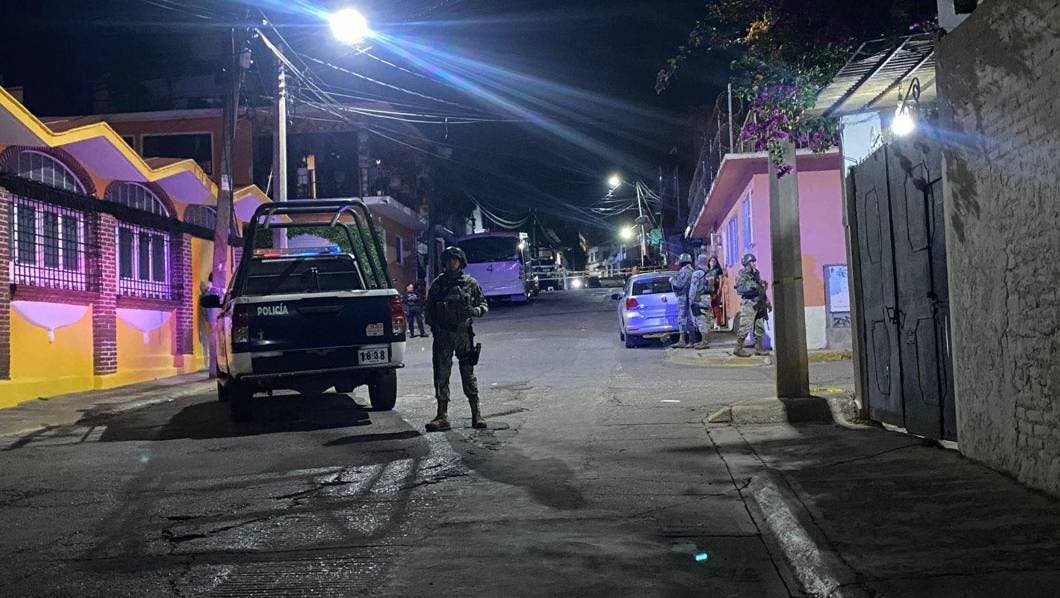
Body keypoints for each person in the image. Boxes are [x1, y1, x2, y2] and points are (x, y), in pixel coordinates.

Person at [424, 247, 489, 431]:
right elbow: (428, 310)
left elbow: (484, 305)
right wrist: (435, 327)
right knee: (441, 375)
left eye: (455, 259)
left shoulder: (470, 283)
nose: (452, 263)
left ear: (461, 262)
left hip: (463, 335)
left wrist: (475, 311)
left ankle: (476, 413)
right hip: (443, 336)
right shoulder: (438, 284)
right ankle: (441, 415)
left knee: (468, 374)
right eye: (449, 260)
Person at [733, 253, 771, 357]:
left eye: (754, 261)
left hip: (759, 303)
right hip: (749, 303)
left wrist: (767, 301)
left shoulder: (756, 273)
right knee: (745, 326)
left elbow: (760, 289)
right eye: (752, 262)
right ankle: (738, 348)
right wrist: (752, 286)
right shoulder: (742, 274)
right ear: (747, 263)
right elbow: (740, 289)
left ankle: (758, 348)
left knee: (759, 326)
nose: (754, 263)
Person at [688, 254, 718, 350]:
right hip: (707, 298)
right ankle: (706, 340)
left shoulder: (697, 273)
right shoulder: (710, 273)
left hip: (699, 298)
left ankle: (704, 342)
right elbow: (712, 287)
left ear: (698, 261)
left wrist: (690, 300)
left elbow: (693, 288)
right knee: (707, 318)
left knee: (700, 320)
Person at [669, 253, 695, 348]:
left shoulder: (685, 271)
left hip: (683, 297)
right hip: (689, 297)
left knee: (682, 318)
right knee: (690, 319)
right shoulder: (692, 270)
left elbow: (679, 284)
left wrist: (672, 280)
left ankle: (683, 340)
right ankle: (691, 340)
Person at [706, 255, 725, 329]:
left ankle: (718, 323)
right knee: (710, 307)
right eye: (711, 261)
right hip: (708, 291)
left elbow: (721, 280)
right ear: (709, 262)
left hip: (715, 290)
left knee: (716, 306)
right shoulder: (707, 271)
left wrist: (719, 290)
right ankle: (713, 322)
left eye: (714, 261)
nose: (713, 262)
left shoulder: (718, 270)